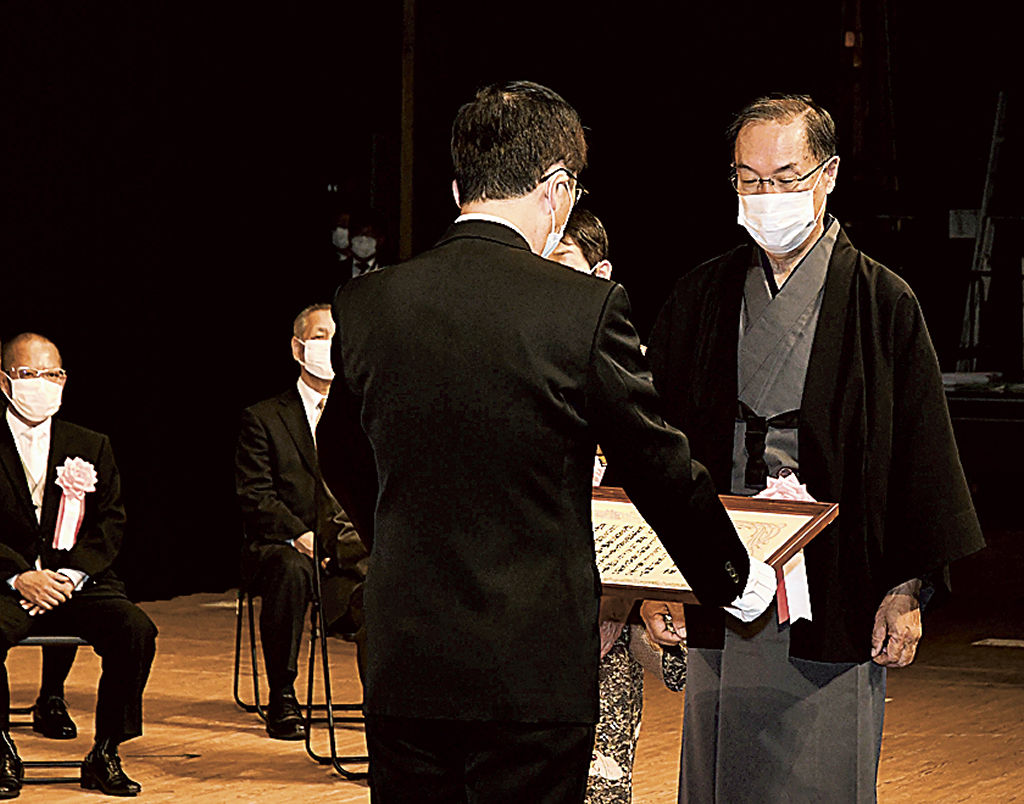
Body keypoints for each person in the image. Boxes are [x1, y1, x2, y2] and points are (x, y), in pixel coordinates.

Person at [317, 80, 775, 802]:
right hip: (530, 669)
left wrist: (408, 538)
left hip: (407, 657)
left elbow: (339, 452)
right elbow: (657, 465)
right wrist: (735, 579)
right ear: (559, 190)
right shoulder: (582, 309)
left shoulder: (368, 302)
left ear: (460, 186)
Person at [645, 94, 986, 803]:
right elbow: (658, 447)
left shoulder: (882, 302)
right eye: (749, 179)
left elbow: (923, 454)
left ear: (827, 174)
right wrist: (656, 578)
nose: (766, 195)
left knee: (820, 771)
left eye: (784, 177)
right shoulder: (701, 296)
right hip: (721, 570)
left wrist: (907, 588)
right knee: (721, 766)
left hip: (835, 583)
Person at [550, 207, 687, 803]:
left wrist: (645, 595)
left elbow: (666, 487)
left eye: (560, 263)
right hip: (520, 628)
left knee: (602, 790)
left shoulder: (640, 374)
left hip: (613, 627)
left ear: (600, 273)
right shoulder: (502, 361)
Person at [0, 333, 158, 798]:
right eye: (29, 374)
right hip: (7, 582)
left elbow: (110, 523)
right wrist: (19, 576)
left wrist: (68, 577)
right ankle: (0, 748)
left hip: (76, 581)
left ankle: (106, 751)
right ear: (4, 381)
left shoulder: (91, 443)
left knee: (135, 630)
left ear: (64, 380)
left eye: (52, 374)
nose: (41, 383)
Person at [235, 304, 368, 741]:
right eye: (320, 336)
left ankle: (387, 704)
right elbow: (256, 495)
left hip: (350, 547)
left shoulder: (365, 414)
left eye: (337, 337)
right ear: (298, 348)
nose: (329, 346)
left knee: (385, 581)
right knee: (290, 570)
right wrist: (302, 536)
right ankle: (283, 695)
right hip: (287, 545)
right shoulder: (264, 417)